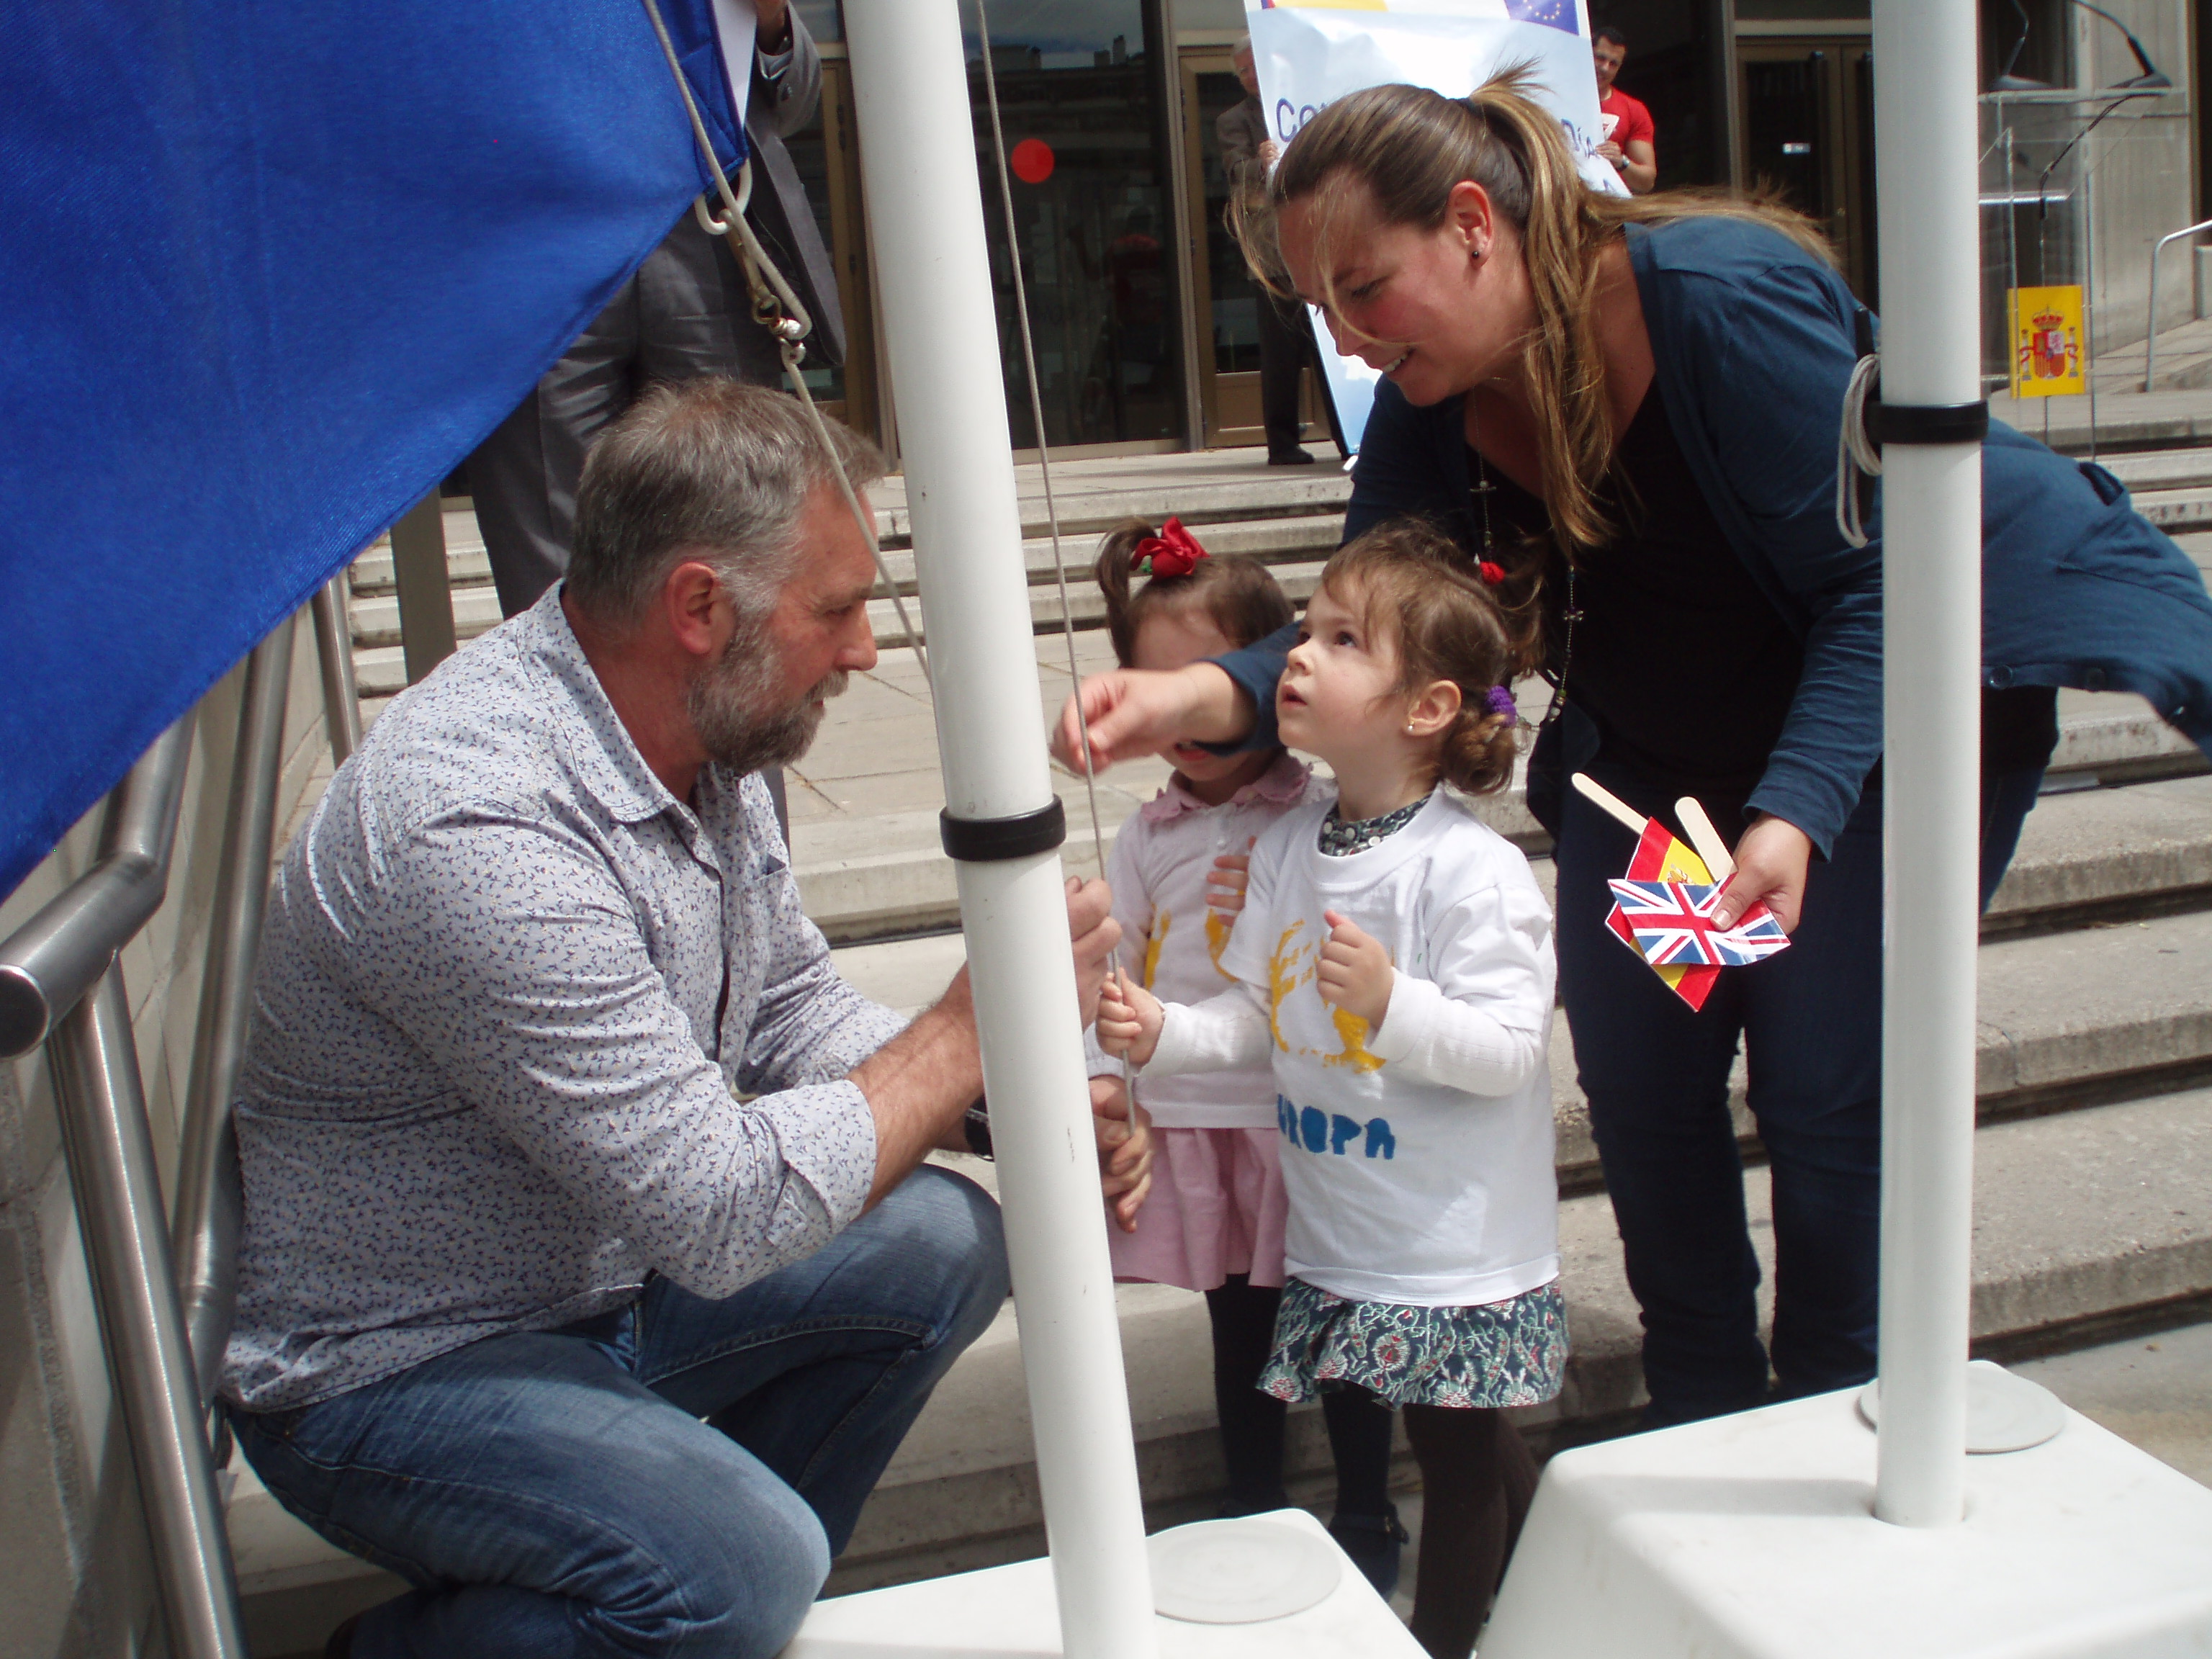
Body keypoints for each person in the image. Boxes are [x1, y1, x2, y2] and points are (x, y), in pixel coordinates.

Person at [1054, 76, 2212, 1430]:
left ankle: (1842, 1408)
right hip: (1657, 764)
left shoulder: (1715, 298)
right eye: (1325, 312)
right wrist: (1184, 693)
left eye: (1365, 291)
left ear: (1473, 224)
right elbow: (1370, 620)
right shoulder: (1435, 407)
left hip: (1878, 721)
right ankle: (1705, 1407)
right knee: (1652, 1084)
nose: (1354, 345)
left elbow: (1879, 590)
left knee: (1825, 1089)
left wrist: (1793, 813)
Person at [222, 379, 1151, 1659]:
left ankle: (679, 1584)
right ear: (700, 606)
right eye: (835, 609)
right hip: (403, 1367)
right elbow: (718, 1213)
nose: (866, 647)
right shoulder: (475, 825)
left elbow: (784, 1004)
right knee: (743, 1563)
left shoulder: (701, 732)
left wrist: (1000, 1090)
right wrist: (958, 1037)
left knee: (940, 1237)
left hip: (602, 1284)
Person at [1100, 523, 1562, 1659]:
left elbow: (1511, 1047)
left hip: (1450, 1238)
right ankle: (1568, 1556)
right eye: (1307, 632)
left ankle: (1451, 1642)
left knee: (1451, 1464)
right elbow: (1260, 1016)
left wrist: (1393, 1003)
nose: (1298, 657)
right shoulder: (1294, 844)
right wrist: (1166, 1032)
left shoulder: (1470, 869)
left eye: (1343, 640)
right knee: (1460, 1436)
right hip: (1352, 1224)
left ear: (1426, 707)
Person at [1084, 519, 1408, 1592]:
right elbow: (1112, 968)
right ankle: (1253, 1500)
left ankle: (1367, 1509)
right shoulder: (1148, 837)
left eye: (1206, 683)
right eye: (1153, 683)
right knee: (1243, 1327)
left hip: (1303, 1118)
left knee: (1345, 1312)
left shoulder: (1318, 816)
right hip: (1203, 1123)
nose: (1183, 714)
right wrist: (1110, 1067)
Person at [467, 0, 844, 621]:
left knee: (736, 541)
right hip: (537, 251)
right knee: (553, 575)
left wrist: (773, 18)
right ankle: (564, 718)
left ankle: (730, 718)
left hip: (703, 246)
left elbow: (792, 102)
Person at [1219, 36, 1344, 464]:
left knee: (1333, 349)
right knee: (1281, 353)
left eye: (1255, 66)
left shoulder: (1308, 101)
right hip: (1273, 256)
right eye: (1242, 72)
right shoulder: (1234, 120)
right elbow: (1236, 173)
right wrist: (1262, 161)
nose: (1251, 77)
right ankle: (1283, 443)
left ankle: (1349, 438)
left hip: (1324, 247)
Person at [1592, 24, 1657, 194]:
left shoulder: (1634, 110)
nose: (1605, 67)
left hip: (1610, 208)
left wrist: (1621, 162)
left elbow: (1647, 181)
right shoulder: (1557, 97)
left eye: (1613, 64)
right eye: (1600, 58)